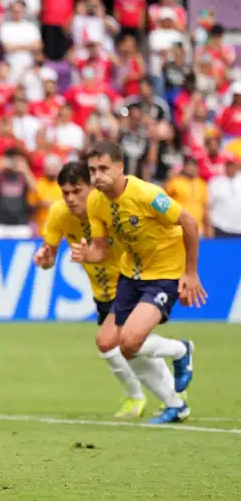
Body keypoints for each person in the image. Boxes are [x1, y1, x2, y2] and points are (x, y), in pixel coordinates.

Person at [72, 141, 206, 424]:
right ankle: (175, 405)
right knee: (113, 343)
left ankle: (181, 350)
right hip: (131, 275)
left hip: (165, 273)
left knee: (130, 342)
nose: (97, 176)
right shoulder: (96, 201)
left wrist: (190, 273)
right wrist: (87, 255)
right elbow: (101, 250)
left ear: (120, 167)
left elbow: (190, 224)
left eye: (104, 169)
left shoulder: (146, 194)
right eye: (93, 170)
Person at [34, 161, 165, 418]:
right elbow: (48, 259)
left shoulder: (109, 207)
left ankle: (137, 395)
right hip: (103, 293)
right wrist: (44, 260)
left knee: (109, 343)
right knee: (132, 348)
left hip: (131, 284)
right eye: (65, 193)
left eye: (77, 191)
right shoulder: (59, 214)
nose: (70, 199)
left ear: (92, 188)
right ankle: (171, 394)